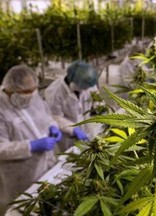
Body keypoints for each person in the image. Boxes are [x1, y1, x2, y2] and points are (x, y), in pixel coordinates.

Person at [0, 65, 62, 214]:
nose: (31, 95)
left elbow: (46, 117)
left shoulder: (33, 97)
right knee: (23, 208)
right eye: (26, 92)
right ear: (12, 89)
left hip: (45, 165)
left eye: (33, 90)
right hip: (19, 175)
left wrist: (53, 127)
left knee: (46, 203)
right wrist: (31, 146)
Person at [44, 60, 101, 152]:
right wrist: (73, 129)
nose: (85, 90)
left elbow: (96, 96)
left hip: (85, 125)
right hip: (67, 135)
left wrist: (100, 107)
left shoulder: (88, 82)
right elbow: (55, 117)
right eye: (83, 87)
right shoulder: (54, 92)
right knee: (73, 156)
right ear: (72, 81)